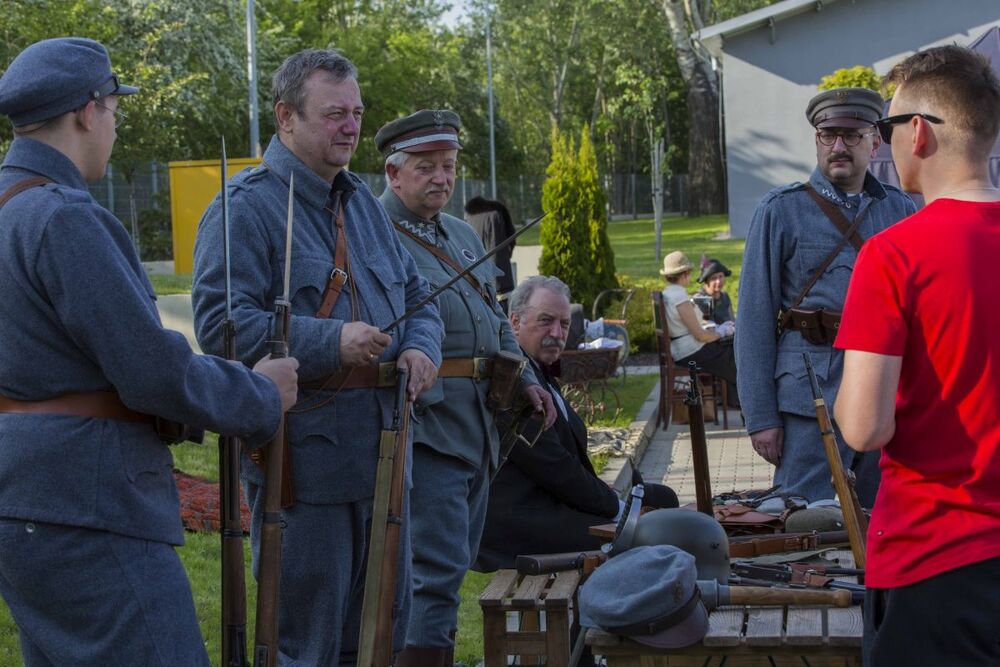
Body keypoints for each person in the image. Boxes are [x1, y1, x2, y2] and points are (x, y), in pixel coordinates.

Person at [0, 38, 299, 666]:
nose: (113, 124)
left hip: (26, 497)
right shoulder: (63, 218)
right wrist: (260, 393)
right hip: (92, 504)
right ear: (87, 111)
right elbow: (151, 373)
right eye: (113, 108)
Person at [192, 50, 444, 665]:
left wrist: (420, 347)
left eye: (355, 113)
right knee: (308, 643)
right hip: (304, 470)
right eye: (335, 114)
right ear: (286, 118)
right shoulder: (244, 207)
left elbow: (417, 296)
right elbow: (222, 326)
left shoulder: (360, 202)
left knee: (381, 633)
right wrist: (330, 342)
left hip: (386, 460)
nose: (351, 126)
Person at [834, 46, 1000, 666]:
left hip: (935, 557)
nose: (881, 144)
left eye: (886, 128)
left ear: (921, 133)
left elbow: (865, 426)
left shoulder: (894, 254)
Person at [375, 108, 555, 665]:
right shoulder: (373, 233)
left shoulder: (457, 232)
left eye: (448, 166)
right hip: (427, 425)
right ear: (393, 172)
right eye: (426, 166)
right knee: (435, 569)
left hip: (479, 423)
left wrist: (525, 375)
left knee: (455, 559)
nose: (441, 178)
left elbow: (496, 315)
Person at [735, 88, 916, 506]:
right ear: (816, 139)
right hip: (809, 394)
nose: (838, 146)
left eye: (851, 136)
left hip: (883, 389)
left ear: (875, 140)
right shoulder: (781, 210)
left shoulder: (899, 210)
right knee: (804, 525)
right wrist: (761, 417)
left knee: (880, 516)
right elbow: (754, 319)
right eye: (827, 134)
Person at [475, 275, 678, 572]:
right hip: (520, 525)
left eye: (565, 324)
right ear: (515, 322)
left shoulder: (537, 371)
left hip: (551, 505)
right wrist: (617, 509)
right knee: (652, 536)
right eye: (545, 321)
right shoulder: (515, 380)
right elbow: (554, 467)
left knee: (666, 500)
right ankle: (624, 614)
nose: (557, 333)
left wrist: (612, 500)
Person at [660, 251, 738, 397]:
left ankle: (734, 399)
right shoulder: (679, 297)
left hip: (682, 348)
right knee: (735, 355)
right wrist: (721, 332)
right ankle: (746, 400)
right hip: (689, 351)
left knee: (730, 352)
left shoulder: (668, 293)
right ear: (685, 273)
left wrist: (717, 329)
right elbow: (700, 336)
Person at [465, 196, 517, 310]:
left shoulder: (470, 217)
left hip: (473, 281)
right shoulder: (496, 215)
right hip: (499, 285)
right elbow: (502, 248)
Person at [694, 257, 734, 325]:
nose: (718, 281)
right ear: (706, 281)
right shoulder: (700, 299)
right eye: (714, 278)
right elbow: (704, 326)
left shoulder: (725, 296)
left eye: (721, 276)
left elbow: (732, 320)